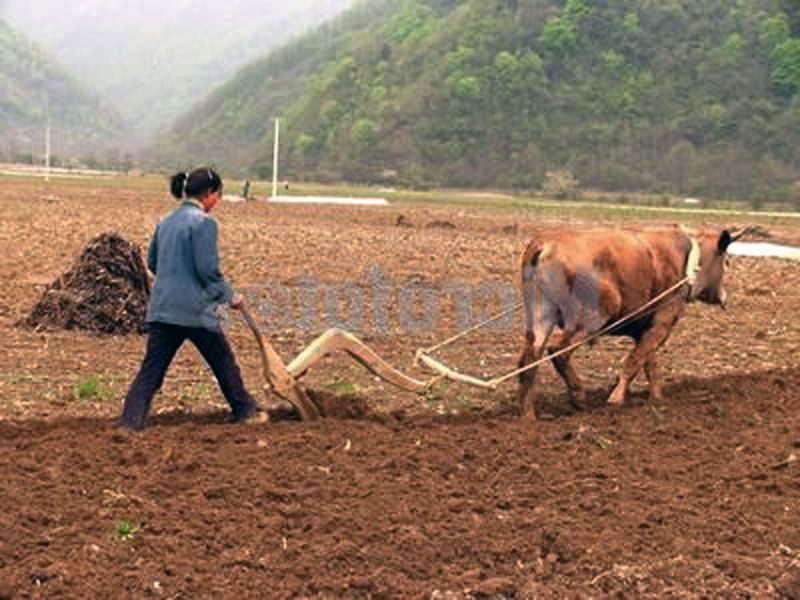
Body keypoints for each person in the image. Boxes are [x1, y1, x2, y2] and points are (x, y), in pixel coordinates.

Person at [120, 167, 261, 431]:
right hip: (195, 311)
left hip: (162, 309)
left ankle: (130, 422)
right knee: (223, 361)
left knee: (151, 370)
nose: (217, 202)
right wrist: (230, 296)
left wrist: (174, 280)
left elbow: (152, 262)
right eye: (217, 195)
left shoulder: (166, 221)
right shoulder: (204, 223)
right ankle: (246, 411)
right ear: (208, 194)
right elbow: (207, 270)